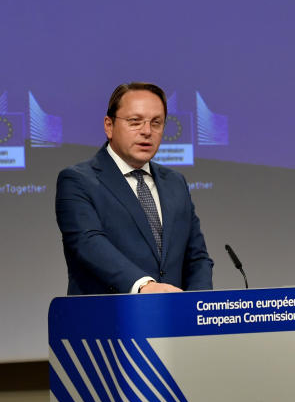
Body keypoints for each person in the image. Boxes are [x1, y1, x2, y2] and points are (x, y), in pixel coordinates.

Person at [56, 82, 213, 295]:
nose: (147, 131)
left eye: (156, 123)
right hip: (106, 322)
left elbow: (196, 257)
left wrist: (196, 304)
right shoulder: (78, 180)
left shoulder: (176, 182)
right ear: (109, 126)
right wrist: (143, 286)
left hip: (172, 323)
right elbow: (88, 244)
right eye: (135, 121)